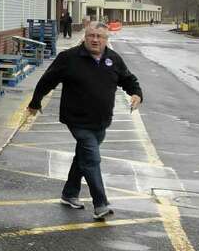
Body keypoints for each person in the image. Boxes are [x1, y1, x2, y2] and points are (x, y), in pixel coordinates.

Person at [25, 21, 143, 220]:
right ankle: (100, 204)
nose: (95, 40)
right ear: (85, 37)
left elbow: (128, 79)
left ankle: (69, 194)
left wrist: (136, 94)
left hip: (102, 120)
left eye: (100, 36)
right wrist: (35, 103)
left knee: (83, 157)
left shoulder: (113, 59)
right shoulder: (69, 58)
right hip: (77, 119)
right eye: (91, 36)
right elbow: (47, 80)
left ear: (106, 39)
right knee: (91, 158)